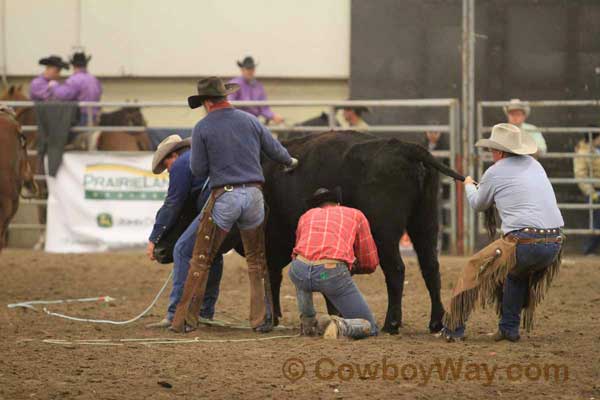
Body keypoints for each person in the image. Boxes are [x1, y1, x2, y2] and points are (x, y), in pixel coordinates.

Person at [170, 77, 298, 333]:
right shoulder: (250, 121)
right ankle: (262, 320)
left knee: (201, 258)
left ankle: (185, 319)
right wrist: (291, 162)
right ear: (225, 97)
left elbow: (198, 169)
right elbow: (277, 152)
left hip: (225, 196)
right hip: (254, 197)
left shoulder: (202, 128)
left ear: (206, 103)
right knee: (257, 260)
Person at [442, 123, 564, 342]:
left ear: (498, 151)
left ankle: (453, 329)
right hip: (555, 243)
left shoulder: (494, 172)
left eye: (492, 150)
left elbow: (478, 204)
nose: (491, 154)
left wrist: (469, 185)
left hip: (524, 243)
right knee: (516, 276)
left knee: (474, 268)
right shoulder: (535, 165)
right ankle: (509, 329)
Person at [145, 135, 224, 328]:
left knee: (181, 250)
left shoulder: (181, 163)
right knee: (213, 254)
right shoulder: (201, 157)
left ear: (173, 155)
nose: (168, 170)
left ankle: (174, 314)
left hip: (218, 204)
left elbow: (173, 203)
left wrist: (155, 237)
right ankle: (205, 312)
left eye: (166, 164)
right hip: (240, 199)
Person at [289, 188, 380, 340]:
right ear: (338, 203)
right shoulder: (356, 214)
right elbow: (369, 261)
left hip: (300, 271)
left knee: (301, 272)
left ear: (315, 207)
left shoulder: (306, 216)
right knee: (369, 327)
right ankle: (340, 326)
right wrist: (353, 269)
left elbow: (298, 251)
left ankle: (309, 321)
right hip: (329, 273)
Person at [227, 56, 284, 124]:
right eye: (248, 69)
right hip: (237, 121)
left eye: (252, 69)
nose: (250, 71)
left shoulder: (258, 86)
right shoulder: (234, 84)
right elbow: (229, 105)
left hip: (253, 121)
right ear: (242, 70)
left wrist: (273, 116)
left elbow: (264, 108)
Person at [53, 51, 102, 125]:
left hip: (82, 115)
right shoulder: (94, 79)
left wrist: (54, 86)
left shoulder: (74, 79)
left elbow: (62, 95)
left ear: (74, 66)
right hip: (94, 115)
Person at [573, 127, 600, 254]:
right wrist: (591, 193)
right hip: (595, 191)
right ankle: (588, 250)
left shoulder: (595, 150)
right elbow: (581, 176)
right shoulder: (583, 152)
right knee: (596, 223)